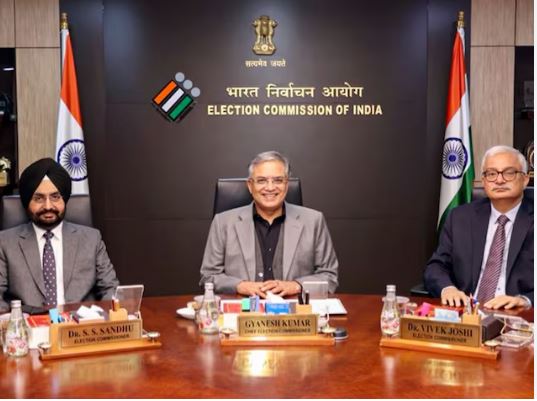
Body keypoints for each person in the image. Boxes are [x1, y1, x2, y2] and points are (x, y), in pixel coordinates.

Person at [200, 151, 338, 297]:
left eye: (278, 180)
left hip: (293, 308)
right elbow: (208, 276)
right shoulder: (222, 223)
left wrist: (296, 285)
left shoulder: (314, 221)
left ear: (286, 184)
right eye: (261, 180)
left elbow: (329, 276)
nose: (270, 187)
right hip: (243, 307)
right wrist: (240, 286)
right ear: (250, 185)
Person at [0, 158, 119, 312]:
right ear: (27, 201)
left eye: (55, 197)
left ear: (65, 199)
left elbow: (110, 289)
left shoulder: (92, 239)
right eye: (38, 198)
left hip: (80, 323)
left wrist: (105, 317)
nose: (48, 206)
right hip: (28, 323)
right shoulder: (5, 242)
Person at [424, 145, 533, 309]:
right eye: (491, 174)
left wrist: (525, 300)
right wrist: (448, 288)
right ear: (483, 181)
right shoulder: (460, 217)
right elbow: (436, 266)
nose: (499, 180)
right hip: (467, 311)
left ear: (525, 179)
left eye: (509, 173)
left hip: (516, 313)